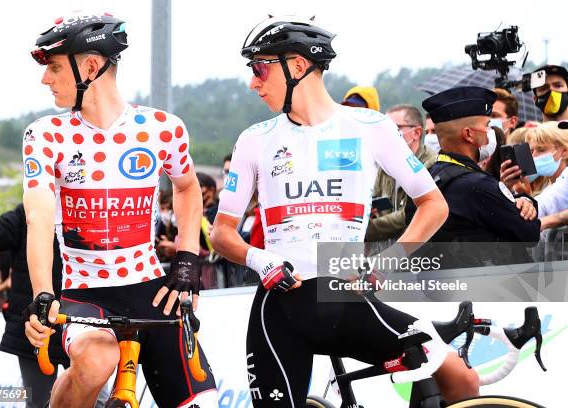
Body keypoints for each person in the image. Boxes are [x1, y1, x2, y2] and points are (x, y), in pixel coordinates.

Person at [210, 15, 479, 406]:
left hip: (346, 295)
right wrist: (260, 259)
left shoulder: (369, 127)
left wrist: (387, 263)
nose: (253, 82)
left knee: (462, 383)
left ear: (297, 66)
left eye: (259, 68)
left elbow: (433, 205)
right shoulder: (255, 140)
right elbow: (221, 232)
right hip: (282, 307)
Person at [22, 13, 217, 407]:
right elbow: (39, 217)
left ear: (91, 67)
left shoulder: (163, 128)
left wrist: (186, 260)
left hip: (150, 287)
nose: (46, 79)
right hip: (86, 291)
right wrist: (43, 294)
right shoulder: (45, 135)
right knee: (96, 360)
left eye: (55, 68)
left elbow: (187, 188)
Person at [0, 205, 78, 408]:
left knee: (96, 400)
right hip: (36, 326)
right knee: (40, 402)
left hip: (84, 322)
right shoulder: (28, 212)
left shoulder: (95, 205)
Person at [406, 86, 540, 266]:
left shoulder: (428, 179)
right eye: (487, 125)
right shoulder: (477, 185)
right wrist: (525, 199)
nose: (491, 132)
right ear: (469, 134)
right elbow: (529, 234)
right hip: (487, 288)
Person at [366, 104, 437, 242]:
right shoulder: (385, 164)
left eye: (393, 128)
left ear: (416, 132)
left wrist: (369, 228)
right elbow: (376, 197)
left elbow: (410, 214)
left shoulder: (432, 165)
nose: (385, 134)